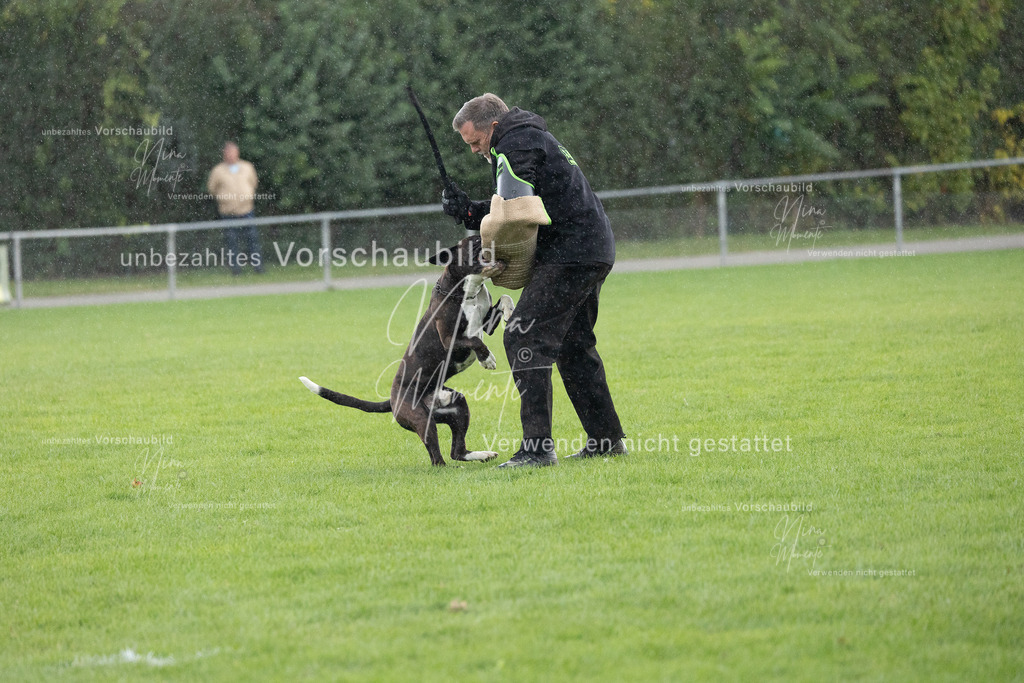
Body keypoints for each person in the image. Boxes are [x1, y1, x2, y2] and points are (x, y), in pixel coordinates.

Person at [444, 93, 627, 468]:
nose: (476, 151)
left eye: (475, 142)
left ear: (492, 127)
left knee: (522, 334)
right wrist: (468, 211)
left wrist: (483, 241)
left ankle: (537, 449)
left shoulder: (514, 142)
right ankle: (607, 440)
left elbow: (513, 216)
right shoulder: (526, 137)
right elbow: (520, 203)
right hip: (590, 247)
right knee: (574, 345)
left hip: (571, 253)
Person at [207, 141, 263, 274]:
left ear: (237, 153)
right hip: (228, 213)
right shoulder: (218, 171)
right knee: (232, 242)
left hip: (247, 211)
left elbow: (253, 183)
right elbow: (212, 189)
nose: (231, 155)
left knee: (252, 240)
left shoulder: (247, 167)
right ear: (224, 154)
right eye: (228, 152)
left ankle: (258, 268)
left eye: (233, 152)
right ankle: (236, 270)